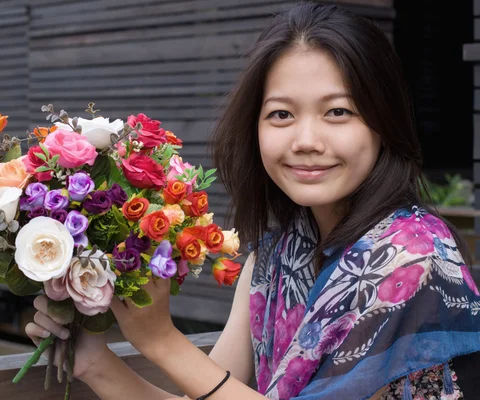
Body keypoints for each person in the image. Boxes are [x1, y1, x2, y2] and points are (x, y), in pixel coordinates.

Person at [25, 2, 480, 399]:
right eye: (281, 114)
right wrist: (93, 362)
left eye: (338, 112)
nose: (305, 140)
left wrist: (161, 340)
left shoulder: (412, 258)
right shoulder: (280, 254)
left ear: (384, 123)